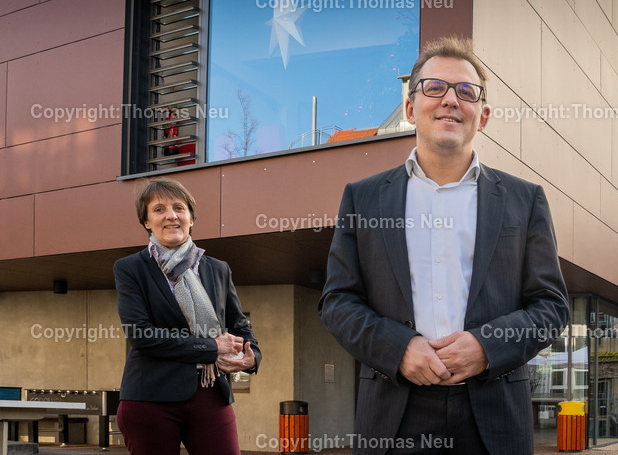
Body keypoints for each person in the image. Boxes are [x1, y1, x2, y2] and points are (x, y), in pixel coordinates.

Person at [319, 36, 570, 455]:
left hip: (493, 414)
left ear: (483, 116)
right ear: (410, 108)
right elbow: (337, 301)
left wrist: (487, 347)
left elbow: (551, 306)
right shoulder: (363, 199)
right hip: (393, 413)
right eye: (435, 87)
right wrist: (398, 349)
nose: (451, 100)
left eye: (466, 91)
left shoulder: (525, 200)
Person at [114, 178, 260, 455]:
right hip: (150, 398)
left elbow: (239, 325)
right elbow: (141, 334)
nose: (171, 215)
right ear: (146, 221)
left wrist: (253, 357)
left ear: (191, 219)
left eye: (179, 208)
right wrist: (211, 347)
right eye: (159, 209)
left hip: (211, 392)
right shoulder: (131, 268)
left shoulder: (218, 269)